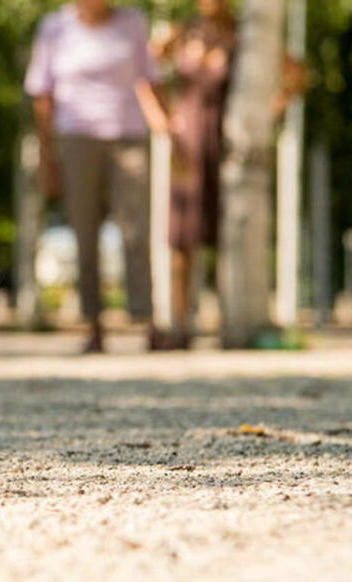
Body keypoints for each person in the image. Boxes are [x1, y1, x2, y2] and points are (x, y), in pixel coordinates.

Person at [155, 0, 308, 349]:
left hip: (228, 147)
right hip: (187, 147)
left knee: (230, 238)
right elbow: (144, 71)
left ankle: (231, 322)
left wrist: (269, 113)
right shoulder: (183, 32)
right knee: (182, 238)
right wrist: (163, 120)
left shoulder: (247, 36)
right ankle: (180, 327)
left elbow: (297, 74)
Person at [25, 0, 170, 353]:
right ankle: (93, 325)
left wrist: (167, 125)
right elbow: (42, 96)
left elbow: (151, 79)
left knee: (136, 231)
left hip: (128, 136)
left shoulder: (134, 22)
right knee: (84, 232)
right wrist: (48, 156)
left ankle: (147, 321)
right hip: (76, 138)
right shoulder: (54, 28)